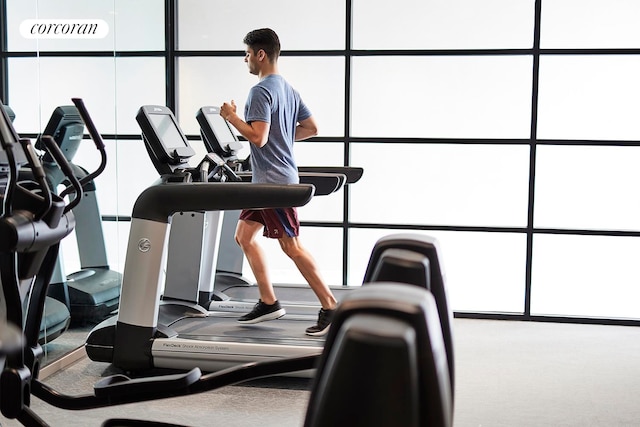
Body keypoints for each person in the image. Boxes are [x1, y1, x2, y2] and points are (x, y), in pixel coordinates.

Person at [219, 28, 338, 336]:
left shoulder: (260, 91)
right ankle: (269, 301)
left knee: (291, 246)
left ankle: (330, 306)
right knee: (244, 237)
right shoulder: (287, 88)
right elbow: (311, 128)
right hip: (267, 180)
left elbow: (258, 138)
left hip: (274, 182)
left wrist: (231, 117)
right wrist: (282, 137)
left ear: (260, 54)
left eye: (247, 54)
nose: (245, 60)